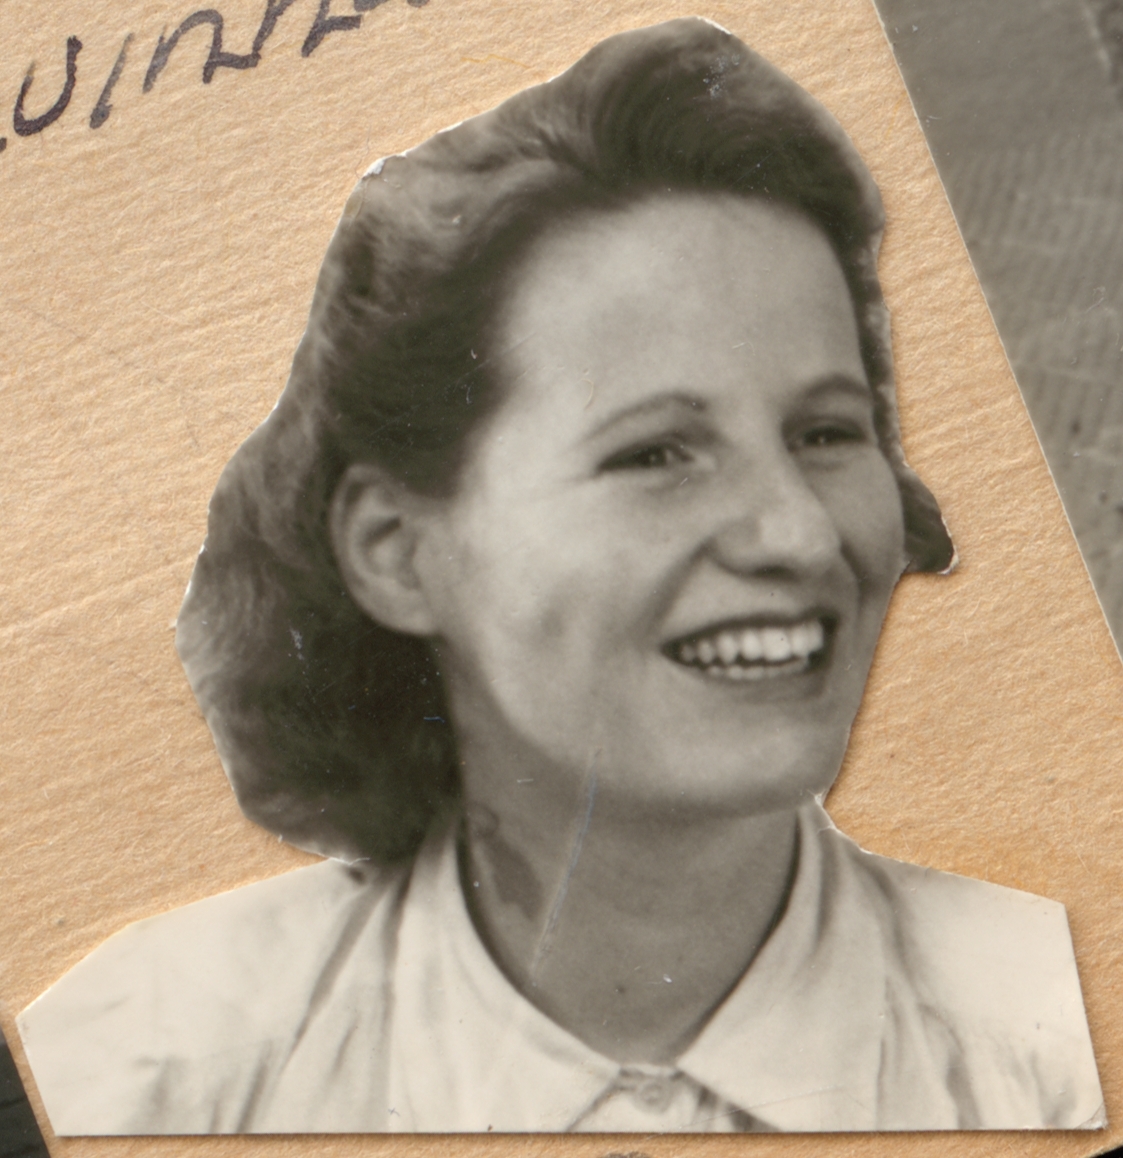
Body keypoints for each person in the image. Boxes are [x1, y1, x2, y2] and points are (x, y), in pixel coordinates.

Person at [17, 18, 1104, 1135]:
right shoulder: (141, 1073)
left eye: (826, 433)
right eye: (656, 453)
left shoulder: (1063, 1031)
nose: (798, 534)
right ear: (395, 551)